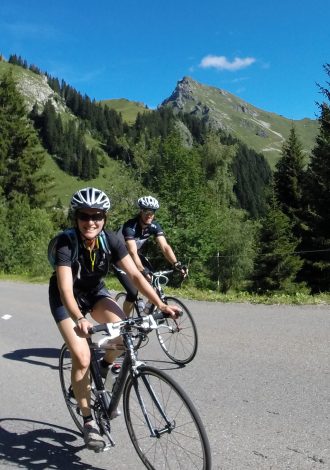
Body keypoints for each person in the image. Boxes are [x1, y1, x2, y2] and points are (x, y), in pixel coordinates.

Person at [48, 187, 180, 452]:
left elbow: (135, 276)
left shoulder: (111, 240)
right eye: (84, 216)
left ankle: (106, 367)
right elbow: (64, 288)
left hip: (94, 293)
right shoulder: (66, 242)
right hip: (66, 300)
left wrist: (160, 304)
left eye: (97, 216)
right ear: (76, 218)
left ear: (104, 218)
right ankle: (88, 422)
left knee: (124, 335)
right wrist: (79, 319)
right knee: (83, 356)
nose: (91, 221)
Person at [115, 195, 188, 315]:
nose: (150, 215)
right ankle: (124, 322)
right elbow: (132, 251)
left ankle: (146, 312)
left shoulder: (154, 226)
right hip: (119, 258)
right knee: (133, 293)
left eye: (152, 212)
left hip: (135, 255)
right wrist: (142, 271)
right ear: (140, 211)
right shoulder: (130, 226)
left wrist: (177, 264)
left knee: (154, 281)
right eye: (146, 211)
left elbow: (165, 247)